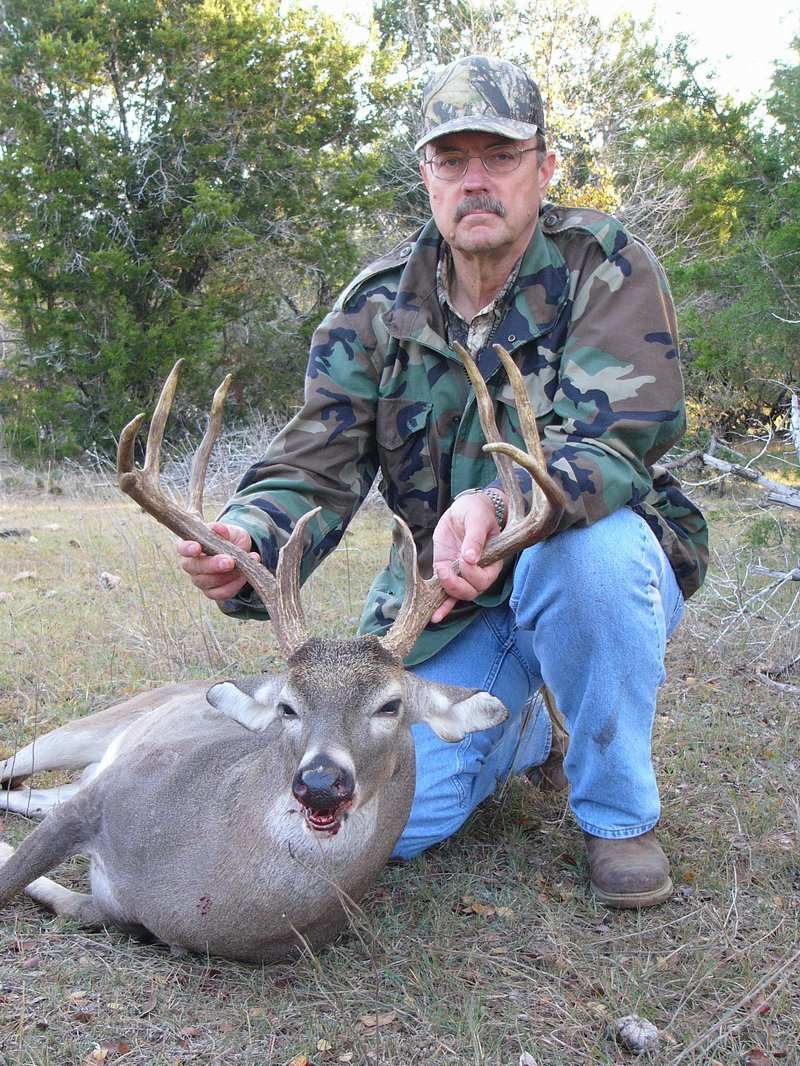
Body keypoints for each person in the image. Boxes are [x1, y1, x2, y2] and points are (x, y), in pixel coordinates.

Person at [177, 55, 708, 909]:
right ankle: (526, 724)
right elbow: (317, 459)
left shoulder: (607, 266)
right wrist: (251, 536)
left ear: (545, 165)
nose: (476, 181)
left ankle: (617, 817)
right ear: (426, 176)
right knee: (387, 825)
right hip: (441, 601)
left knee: (591, 558)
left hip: (584, 560)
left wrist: (501, 503)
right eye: (451, 160)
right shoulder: (375, 306)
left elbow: (620, 437)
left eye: (498, 157)